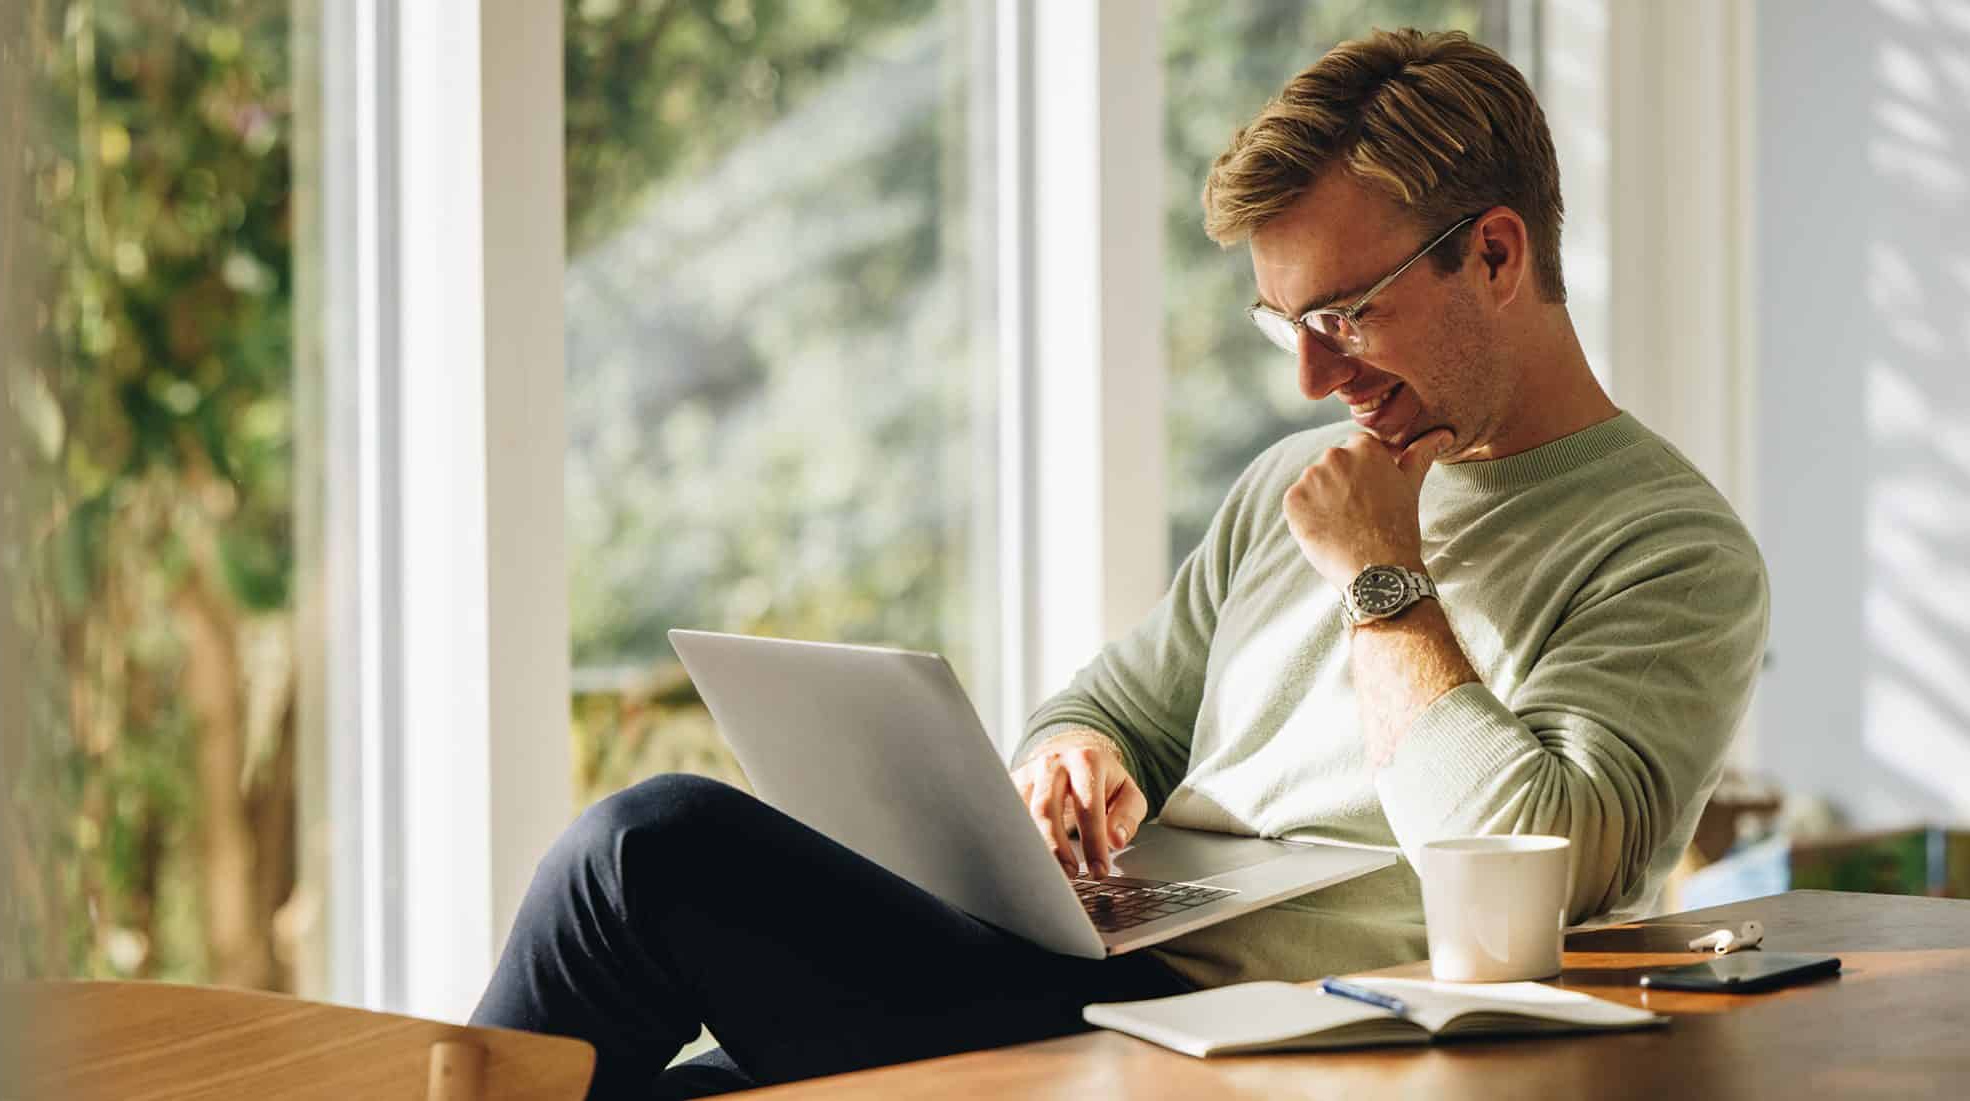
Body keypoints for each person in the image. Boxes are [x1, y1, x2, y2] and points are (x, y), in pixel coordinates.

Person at [471, 28, 1768, 1099]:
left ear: (1495, 253)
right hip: (1087, 975)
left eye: (1343, 314)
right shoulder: (1287, 491)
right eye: (1285, 329)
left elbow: (1533, 849)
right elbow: (1112, 708)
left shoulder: (1672, 552)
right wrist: (1068, 763)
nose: (1315, 378)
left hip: (1274, 1039)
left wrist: (1384, 578)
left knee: (647, 850)